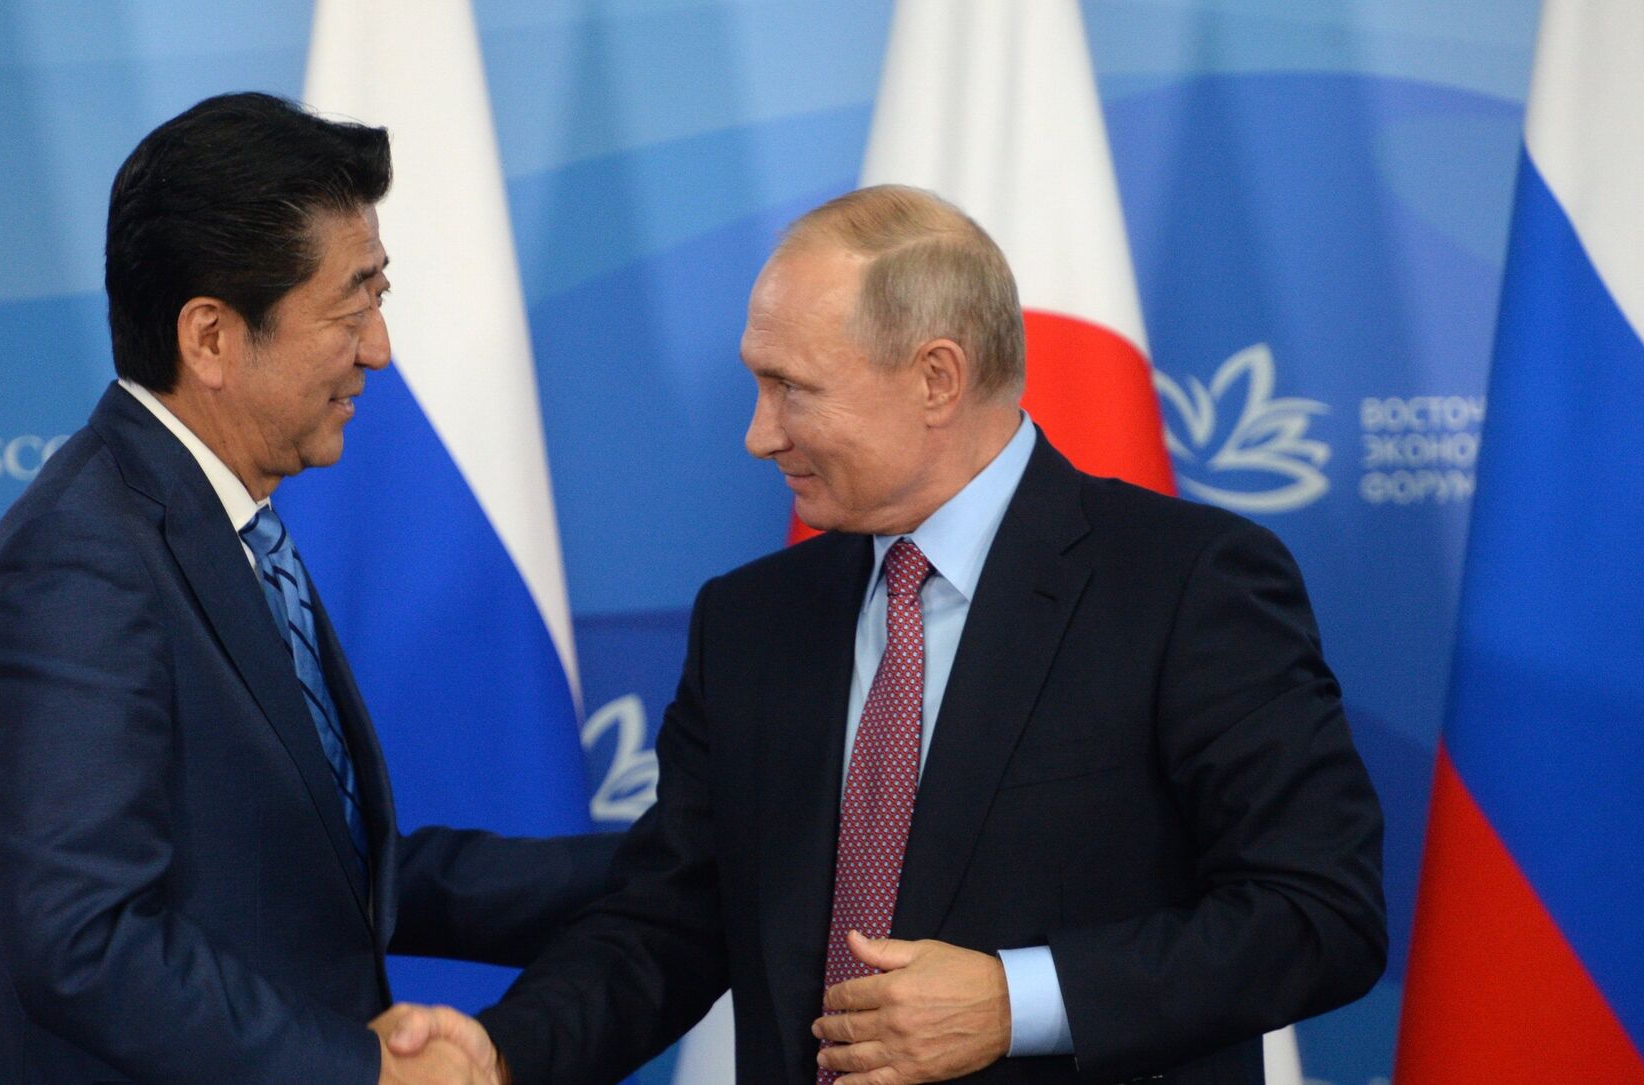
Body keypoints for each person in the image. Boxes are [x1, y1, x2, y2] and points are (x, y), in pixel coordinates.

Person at [393, 185, 1385, 1084]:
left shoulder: (1184, 582)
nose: (759, 433)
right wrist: (504, 1054)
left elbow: (1320, 911)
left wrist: (1017, 1001)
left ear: (937, 379)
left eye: (793, 387)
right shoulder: (750, 620)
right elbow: (672, 918)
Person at [0, 92, 615, 1085]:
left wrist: (686, 863)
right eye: (351, 308)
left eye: (379, 297)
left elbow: (332, 875)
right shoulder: (82, 556)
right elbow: (83, 938)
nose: (379, 348)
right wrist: (366, 1069)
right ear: (211, 338)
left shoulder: (224, 521)